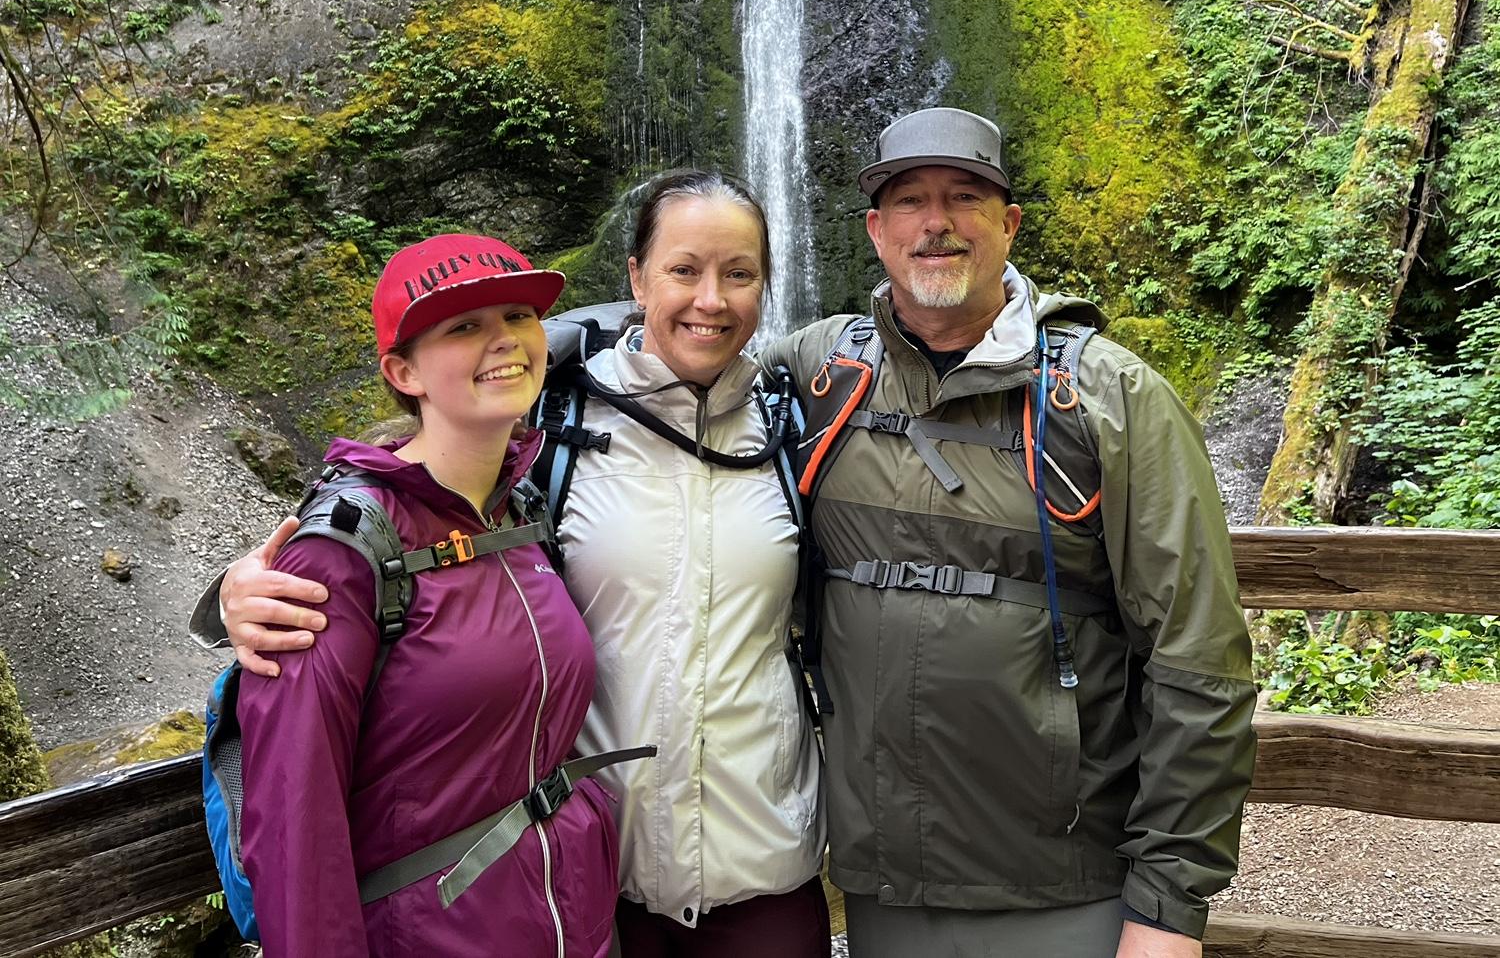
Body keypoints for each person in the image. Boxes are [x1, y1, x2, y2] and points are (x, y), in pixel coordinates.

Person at [204, 173, 829, 957]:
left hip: (712, 867)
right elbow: (296, 812)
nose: (711, 298)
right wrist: (234, 594)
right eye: (683, 269)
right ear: (636, 279)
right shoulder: (556, 429)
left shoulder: (795, 423)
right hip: (588, 886)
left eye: (738, 273)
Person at [758, 107, 1256, 958]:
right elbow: (689, 359)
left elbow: (1198, 659)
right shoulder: (821, 374)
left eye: (965, 197)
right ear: (877, 230)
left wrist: (1169, 907)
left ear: (1009, 224)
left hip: (1064, 885)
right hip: (882, 881)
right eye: (910, 200)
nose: (937, 222)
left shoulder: (1111, 399)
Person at [229, 233, 622, 957]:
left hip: (572, 919)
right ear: (403, 371)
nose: (505, 340)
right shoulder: (343, 552)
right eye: (465, 326)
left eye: (518, 316)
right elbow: (293, 824)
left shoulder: (521, 508)